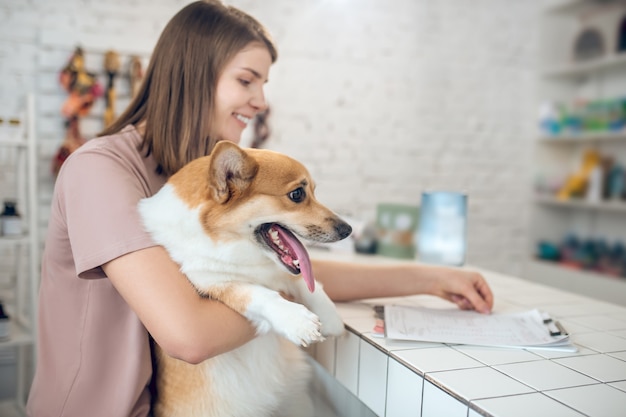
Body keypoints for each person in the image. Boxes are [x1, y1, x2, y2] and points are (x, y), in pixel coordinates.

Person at [26, 1, 493, 416]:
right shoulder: (101, 171)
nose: (261, 100)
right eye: (246, 80)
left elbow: (297, 272)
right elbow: (190, 335)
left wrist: (429, 278)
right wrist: (293, 298)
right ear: (191, 75)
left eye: (263, 83)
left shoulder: (186, 174)